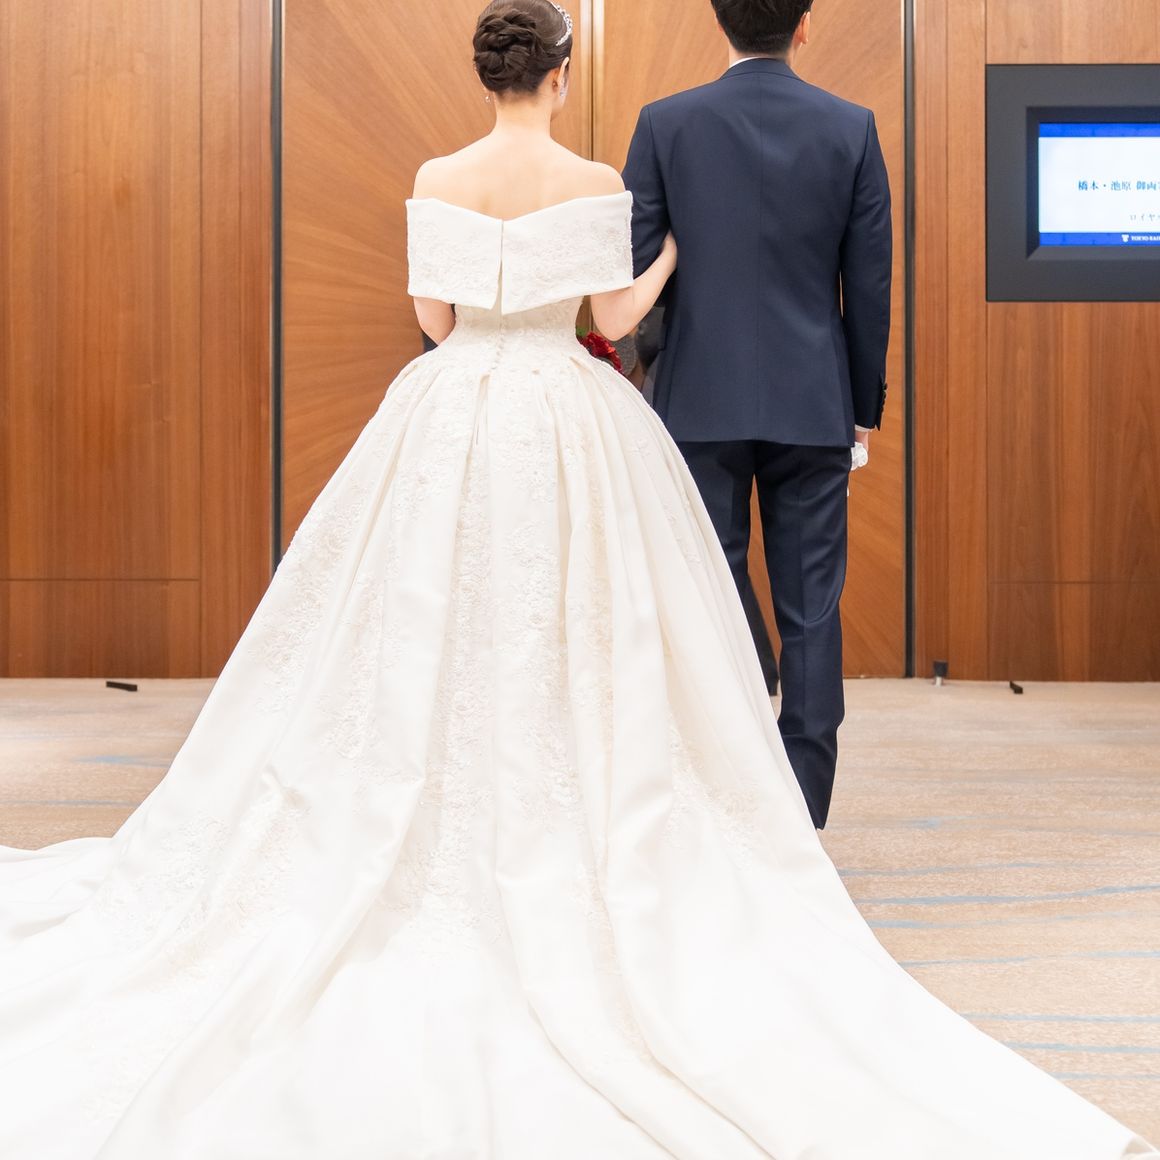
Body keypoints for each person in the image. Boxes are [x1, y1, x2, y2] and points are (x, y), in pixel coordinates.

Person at [0, 2, 1154, 1156]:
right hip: (582, 405)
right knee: (609, 614)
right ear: (558, 75)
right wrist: (668, 266)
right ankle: (753, 815)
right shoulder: (600, 176)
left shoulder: (440, 174)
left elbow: (432, 319)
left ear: (488, 75)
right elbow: (614, 315)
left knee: (430, 611)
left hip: (454, 409)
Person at [624, 0, 892, 829]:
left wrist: (661, 360)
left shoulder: (665, 124)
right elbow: (869, 284)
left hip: (698, 400)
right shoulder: (851, 128)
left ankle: (726, 789)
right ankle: (802, 811)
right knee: (812, 607)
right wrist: (862, 406)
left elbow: (634, 263)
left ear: (721, 23)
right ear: (804, 25)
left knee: (707, 592)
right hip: (814, 401)